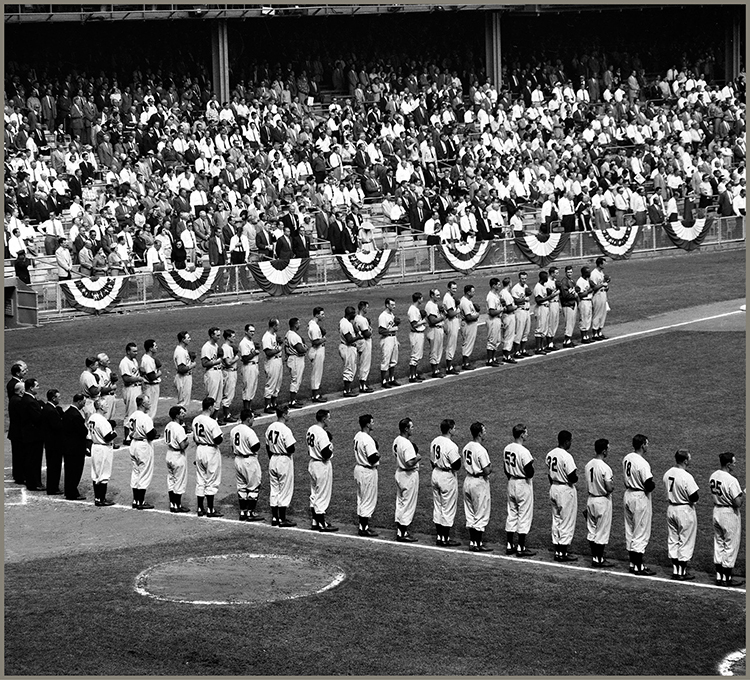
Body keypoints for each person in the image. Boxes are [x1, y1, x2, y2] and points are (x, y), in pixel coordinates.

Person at [662, 449, 700, 581]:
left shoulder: (667, 473)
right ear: (685, 460)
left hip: (671, 508)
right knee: (685, 540)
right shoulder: (686, 476)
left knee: (673, 539)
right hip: (684, 511)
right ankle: (682, 572)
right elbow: (694, 496)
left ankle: (675, 570)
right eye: (689, 458)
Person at [709, 452, 745, 587]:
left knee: (719, 543)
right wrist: (743, 494)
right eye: (734, 462)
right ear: (728, 464)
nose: (735, 464)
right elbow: (738, 503)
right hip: (729, 514)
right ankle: (727, 578)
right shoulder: (731, 480)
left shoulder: (713, 475)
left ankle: (719, 576)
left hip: (716, 510)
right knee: (730, 544)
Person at [622, 433, 656, 575]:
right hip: (639, 497)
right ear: (642, 445)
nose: (647, 446)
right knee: (640, 532)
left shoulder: (627, 458)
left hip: (628, 494)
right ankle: (639, 567)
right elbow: (649, 484)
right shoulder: (642, 463)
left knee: (630, 531)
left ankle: (632, 564)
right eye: (646, 444)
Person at [545, 429, 579, 562]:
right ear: (566, 441)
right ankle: (563, 553)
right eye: (570, 440)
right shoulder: (566, 456)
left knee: (557, 519)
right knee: (566, 521)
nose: (571, 443)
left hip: (553, 487)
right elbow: (572, 477)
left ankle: (557, 551)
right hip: (565, 490)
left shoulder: (550, 454)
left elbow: (549, 473)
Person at [503, 423, 536, 557]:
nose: (527, 434)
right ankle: (521, 547)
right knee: (524, 515)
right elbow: (530, 472)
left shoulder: (507, 448)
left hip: (511, 482)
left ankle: (510, 545)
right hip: (523, 484)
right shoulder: (524, 451)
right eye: (526, 432)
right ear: (521, 434)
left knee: (512, 513)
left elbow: (505, 468)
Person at [429, 418, 462, 547]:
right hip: (447, 476)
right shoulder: (451, 445)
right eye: (454, 428)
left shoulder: (435, 441)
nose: (455, 430)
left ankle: (439, 536)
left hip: (436, 473)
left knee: (438, 506)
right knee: (447, 507)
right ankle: (445, 538)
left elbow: (432, 460)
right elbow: (457, 465)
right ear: (449, 430)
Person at [584, 438, 615, 568]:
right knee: (601, 531)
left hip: (590, 499)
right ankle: (599, 559)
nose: (608, 450)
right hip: (602, 501)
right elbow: (609, 488)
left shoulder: (588, 464)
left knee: (592, 530)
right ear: (603, 451)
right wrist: (612, 486)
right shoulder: (605, 467)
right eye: (607, 448)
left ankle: (594, 557)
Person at [463, 421, 493, 552]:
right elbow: (487, 470)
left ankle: (472, 542)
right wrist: (491, 468)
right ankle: (478, 544)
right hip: (479, 483)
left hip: (468, 480)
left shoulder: (466, 447)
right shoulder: (481, 450)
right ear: (479, 433)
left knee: (470, 513)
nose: (485, 432)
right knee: (480, 512)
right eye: (484, 430)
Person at [265, 404, 297, 527]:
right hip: (284, 460)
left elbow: (267, 445)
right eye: (288, 413)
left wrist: (272, 458)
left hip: (273, 459)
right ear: (283, 414)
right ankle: (282, 519)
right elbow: (291, 448)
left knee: (274, 489)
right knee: (284, 489)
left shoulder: (270, 427)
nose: (289, 415)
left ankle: (274, 518)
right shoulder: (285, 429)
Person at [307, 409, 338, 532]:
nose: (329, 420)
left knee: (314, 493)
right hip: (321, 465)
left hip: (312, 463)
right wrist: (331, 449)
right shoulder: (322, 433)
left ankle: (315, 521)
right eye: (328, 418)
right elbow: (325, 453)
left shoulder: (311, 429)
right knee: (322, 494)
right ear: (324, 419)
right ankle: (322, 524)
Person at [192, 396, 224, 518]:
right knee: (211, 479)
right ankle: (210, 509)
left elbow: (195, 437)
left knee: (200, 479)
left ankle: (200, 508)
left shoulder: (196, 420)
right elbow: (217, 439)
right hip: (210, 451)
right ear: (210, 407)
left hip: (199, 449)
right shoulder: (211, 422)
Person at [231, 408, 264, 522]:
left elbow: (232, 447)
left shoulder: (234, 430)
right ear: (248, 419)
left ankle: (243, 511)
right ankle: (251, 512)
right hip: (249, 461)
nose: (253, 420)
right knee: (253, 486)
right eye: (252, 418)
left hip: (237, 460)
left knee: (242, 487)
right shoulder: (249, 431)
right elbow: (256, 446)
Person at [126, 394, 158, 510]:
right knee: (144, 472)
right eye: (148, 402)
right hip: (143, 446)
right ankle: (141, 501)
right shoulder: (145, 418)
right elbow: (151, 434)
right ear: (143, 404)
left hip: (133, 444)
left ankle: (135, 500)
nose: (149, 404)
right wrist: (155, 433)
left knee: (135, 472)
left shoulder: (132, 415)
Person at [393, 416, 420, 542]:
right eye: (411, 427)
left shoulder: (397, 440)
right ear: (406, 429)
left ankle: (400, 530)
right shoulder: (407, 444)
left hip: (399, 473)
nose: (413, 429)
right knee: (407, 504)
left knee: (401, 502)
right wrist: (418, 458)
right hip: (408, 475)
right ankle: (403, 533)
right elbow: (410, 462)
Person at [88, 398, 118, 507]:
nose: (107, 406)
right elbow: (108, 437)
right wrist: (114, 431)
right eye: (105, 404)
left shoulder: (92, 417)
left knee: (96, 473)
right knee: (104, 474)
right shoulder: (102, 420)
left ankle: (97, 498)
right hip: (103, 448)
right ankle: (101, 499)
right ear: (100, 407)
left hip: (95, 446)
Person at [353, 413, 380, 537]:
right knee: (368, 499)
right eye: (372, 422)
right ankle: (364, 528)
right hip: (367, 471)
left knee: (361, 498)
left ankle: (362, 525)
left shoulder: (358, 435)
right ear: (368, 424)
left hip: (358, 469)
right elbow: (373, 458)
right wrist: (378, 454)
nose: (373, 424)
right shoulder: (367, 439)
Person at [62, 393, 89, 501]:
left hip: (68, 447)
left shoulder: (67, 412)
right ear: (79, 401)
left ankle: (69, 491)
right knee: (75, 471)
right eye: (83, 402)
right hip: (76, 449)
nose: (84, 403)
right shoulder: (76, 415)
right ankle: (72, 492)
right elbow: (83, 432)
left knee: (69, 471)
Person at [20, 378, 45, 491]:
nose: (38, 387)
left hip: (30, 435)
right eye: (37, 385)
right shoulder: (30, 401)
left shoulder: (27, 399)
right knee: (33, 460)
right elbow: (37, 418)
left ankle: (33, 482)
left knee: (31, 459)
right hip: (33, 436)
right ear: (31, 388)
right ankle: (34, 483)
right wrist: (41, 409)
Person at [164, 405, 190, 513]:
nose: (184, 414)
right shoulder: (178, 428)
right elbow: (183, 445)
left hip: (169, 454)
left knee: (171, 479)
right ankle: (177, 505)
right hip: (177, 456)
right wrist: (187, 440)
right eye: (181, 413)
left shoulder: (168, 425)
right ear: (176, 415)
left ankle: (172, 504)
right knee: (179, 480)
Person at [40, 388, 64, 495]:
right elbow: (58, 427)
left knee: (52, 466)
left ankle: (52, 487)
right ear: (53, 398)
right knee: (54, 466)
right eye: (58, 397)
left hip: (50, 443)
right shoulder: (51, 411)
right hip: (54, 443)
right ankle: (53, 488)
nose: (60, 398)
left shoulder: (47, 407)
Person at [119, 342, 142, 445]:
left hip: (137, 388)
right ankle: (127, 438)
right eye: (134, 351)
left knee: (137, 412)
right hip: (130, 389)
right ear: (128, 351)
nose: (136, 353)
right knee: (130, 413)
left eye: (136, 351)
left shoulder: (133, 360)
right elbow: (126, 378)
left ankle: (135, 434)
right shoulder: (124, 363)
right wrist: (138, 378)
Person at [283, 318, 307, 408]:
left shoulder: (288, 334)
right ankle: (292, 401)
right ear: (295, 325)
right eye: (298, 323)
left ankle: (294, 399)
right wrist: (305, 348)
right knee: (295, 380)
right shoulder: (294, 336)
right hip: (296, 359)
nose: (299, 325)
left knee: (296, 379)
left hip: (292, 358)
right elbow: (300, 349)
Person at [261, 318, 283, 413]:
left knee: (278, 383)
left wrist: (279, 343)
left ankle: (274, 404)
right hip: (272, 362)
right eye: (277, 325)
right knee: (271, 383)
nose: (278, 327)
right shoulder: (266, 337)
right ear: (273, 326)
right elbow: (268, 352)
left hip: (278, 360)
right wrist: (278, 349)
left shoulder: (274, 335)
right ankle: (267, 406)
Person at [378, 298, 401, 389]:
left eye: (394, 304)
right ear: (387, 305)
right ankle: (383, 381)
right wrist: (391, 330)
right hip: (386, 339)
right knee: (386, 360)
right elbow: (381, 330)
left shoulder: (391, 314)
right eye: (392, 305)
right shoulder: (383, 316)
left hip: (393, 338)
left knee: (393, 360)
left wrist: (396, 339)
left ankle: (391, 378)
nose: (394, 306)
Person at [239, 324, 261, 414]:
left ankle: (249, 410)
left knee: (252, 388)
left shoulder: (250, 341)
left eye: (253, 331)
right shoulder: (243, 343)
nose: (253, 333)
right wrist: (254, 353)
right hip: (248, 367)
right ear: (246, 332)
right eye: (251, 331)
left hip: (254, 366)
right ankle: (246, 411)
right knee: (247, 389)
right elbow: (245, 358)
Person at [533, 270, 556, 355]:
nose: (547, 278)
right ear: (543, 278)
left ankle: (541, 347)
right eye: (546, 277)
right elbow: (538, 300)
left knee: (544, 329)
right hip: (541, 308)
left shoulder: (543, 286)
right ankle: (538, 348)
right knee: (539, 329)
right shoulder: (538, 287)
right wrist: (549, 297)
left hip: (545, 308)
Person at [457, 285, 480, 370]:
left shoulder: (467, 301)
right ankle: (465, 363)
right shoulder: (465, 302)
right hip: (468, 324)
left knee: (469, 342)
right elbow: (468, 317)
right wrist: (477, 315)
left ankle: (466, 362)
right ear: (468, 292)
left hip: (469, 324)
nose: (474, 293)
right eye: (472, 291)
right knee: (467, 343)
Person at [307, 307, 328, 403]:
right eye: (322, 314)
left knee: (317, 373)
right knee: (316, 373)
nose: (323, 316)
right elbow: (315, 342)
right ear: (316, 315)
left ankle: (316, 393)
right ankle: (315, 396)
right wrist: (323, 339)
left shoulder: (313, 324)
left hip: (318, 350)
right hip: (317, 350)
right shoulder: (314, 327)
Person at [220, 328, 240, 423]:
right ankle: (226, 415)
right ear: (228, 337)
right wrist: (236, 358)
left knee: (229, 394)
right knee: (228, 394)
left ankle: (227, 414)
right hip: (229, 372)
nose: (235, 338)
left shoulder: (228, 347)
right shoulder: (226, 348)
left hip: (231, 372)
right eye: (233, 336)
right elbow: (228, 362)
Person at [424, 288, 446, 378]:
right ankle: (434, 371)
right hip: (434, 329)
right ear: (432, 295)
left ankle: (437, 369)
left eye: (439, 294)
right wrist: (443, 317)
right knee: (434, 350)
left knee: (438, 350)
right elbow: (432, 320)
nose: (439, 296)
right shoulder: (430, 305)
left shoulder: (435, 304)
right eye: (437, 295)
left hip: (438, 329)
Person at [8, 382, 26, 486]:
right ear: (21, 391)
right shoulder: (18, 401)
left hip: (14, 432)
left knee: (17, 456)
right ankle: (20, 477)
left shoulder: (13, 399)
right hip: (18, 433)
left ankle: (18, 475)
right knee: (20, 456)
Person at [353, 300, 374, 393]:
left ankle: (362, 384)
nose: (368, 309)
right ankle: (363, 386)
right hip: (365, 342)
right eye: (367, 307)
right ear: (363, 308)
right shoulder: (362, 319)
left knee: (362, 363)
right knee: (365, 364)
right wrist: (370, 330)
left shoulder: (356, 318)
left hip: (359, 342)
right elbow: (367, 333)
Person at [173, 331, 196, 411]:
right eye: (188, 338)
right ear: (183, 339)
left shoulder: (184, 349)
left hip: (186, 377)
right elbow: (181, 369)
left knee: (185, 401)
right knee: (182, 402)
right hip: (183, 378)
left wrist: (191, 360)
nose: (190, 339)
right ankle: (179, 421)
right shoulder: (180, 352)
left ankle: (181, 421)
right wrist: (192, 365)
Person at [339, 306, 359, 398]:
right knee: (349, 369)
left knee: (351, 369)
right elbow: (349, 339)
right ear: (350, 314)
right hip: (347, 347)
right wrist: (359, 337)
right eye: (353, 313)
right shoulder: (345, 324)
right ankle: (346, 391)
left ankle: (348, 389)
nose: (355, 315)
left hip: (348, 347)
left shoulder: (346, 322)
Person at [407, 292, 427, 382]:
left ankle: (415, 374)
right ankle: (412, 376)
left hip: (419, 334)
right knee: (415, 355)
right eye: (421, 298)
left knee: (418, 355)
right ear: (418, 299)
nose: (422, 300)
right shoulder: (412, 310)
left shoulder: (415, 309)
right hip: (416, 334)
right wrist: (423, 321)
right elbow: (414, 324)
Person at [511, 272, 532, 359]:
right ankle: (516, 352)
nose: (524, 280)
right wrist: (524, 299)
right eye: (522, 278)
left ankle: (523, 350)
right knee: (519, 332)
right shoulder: (515, 288)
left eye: (525, 278)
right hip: (520, 311)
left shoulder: (526, 286)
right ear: (519, 278)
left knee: (526, 332)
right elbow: (515, 300)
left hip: (527, 311)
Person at [201, 326, 224, 404]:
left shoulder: (216, 345)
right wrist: (217, 361)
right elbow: (204, 363)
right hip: (211, 373)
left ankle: (215, 416)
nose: (219, 337)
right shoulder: (206, 347)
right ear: (211, 335)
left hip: (218, 372)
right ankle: (208, 415)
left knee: (219, 397)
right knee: (212, 397)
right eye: (217, 335)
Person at [589, 256, 610, 341]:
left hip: (603, 294)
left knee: (603, 314)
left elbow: (603, 284)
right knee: (597, 314)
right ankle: (595, 334)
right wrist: (602, 285)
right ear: (600, 264)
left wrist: (606, 286)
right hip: (597, 295)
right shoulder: (594, 274)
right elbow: (593, 287)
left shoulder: (601, 272)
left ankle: (599, 332)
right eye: (604, 262)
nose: (605, 264)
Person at [139, 339, 161, 420]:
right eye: (155, 346)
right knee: (150, 409)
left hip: (151, 386)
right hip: (151, 387)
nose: (157, 347)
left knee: (151, 408)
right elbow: (151, 377)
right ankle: (148, 428)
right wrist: (159, 373)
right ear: (150, 348)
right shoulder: (147, 360)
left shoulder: (148, 358)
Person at [442, 281, 461, 374]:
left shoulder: (450, 297)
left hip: (453, 322)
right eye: (453, 288)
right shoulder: (448, 299)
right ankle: (449, 367)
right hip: (451, 322)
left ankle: (450, 365)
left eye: (456, 288)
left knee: (452, 344)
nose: (455, 290)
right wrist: (458, 310)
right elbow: (450, 314)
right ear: (448, 288)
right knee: (451, 344)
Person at [559, 265, 579, 348]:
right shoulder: (564, 282)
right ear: (565, 272)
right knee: (569, 323)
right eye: (568, 272)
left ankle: (568, 340)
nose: (570, 274)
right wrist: (575, 296)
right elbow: (565, 295)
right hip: (567, 305)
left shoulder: (572, 281)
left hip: (572, 304)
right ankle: (566, 341)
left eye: (571, 272)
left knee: (572, 323)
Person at [499, 277, 517, 364]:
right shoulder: (507, 294)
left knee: (505, 336)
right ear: (510, 283)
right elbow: (509, 307)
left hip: (504, 317)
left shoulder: (501, 292)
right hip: (509, 316)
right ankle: (507, 356)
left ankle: (505, 355)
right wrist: (515, 307)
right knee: (509, 336)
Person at [94, 353, 118, 421]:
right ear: (101, 362)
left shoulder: (108, 370)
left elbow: (111, 383)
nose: (109, 362)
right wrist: (111, 388)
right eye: (107, 361)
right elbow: (100, 389)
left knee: (111, 418)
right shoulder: (97, 373)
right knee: (105, 418)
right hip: (104, 398)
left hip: (112, 397)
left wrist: (113, 381)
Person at [485, 278, 502, 367]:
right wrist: (501, 310)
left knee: (497, 340)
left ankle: (493, 358)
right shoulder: (491, 297)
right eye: (498, 284)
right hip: (493, 319)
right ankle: (490, 360)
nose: (499, 286)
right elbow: (492, 312)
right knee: (492, 340)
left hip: (497, 319)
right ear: (493, 285)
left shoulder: (495, 295)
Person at [575, 266, 594, 344]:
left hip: (589, 301)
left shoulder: (587, 280)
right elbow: (581, 295)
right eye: (588, 272)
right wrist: (590, 291)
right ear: (584, 273)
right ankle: (583, 336)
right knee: (584, 318)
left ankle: (586, 335)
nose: (589, 273)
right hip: (583, 301)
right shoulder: (580, 282)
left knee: (589, 317)